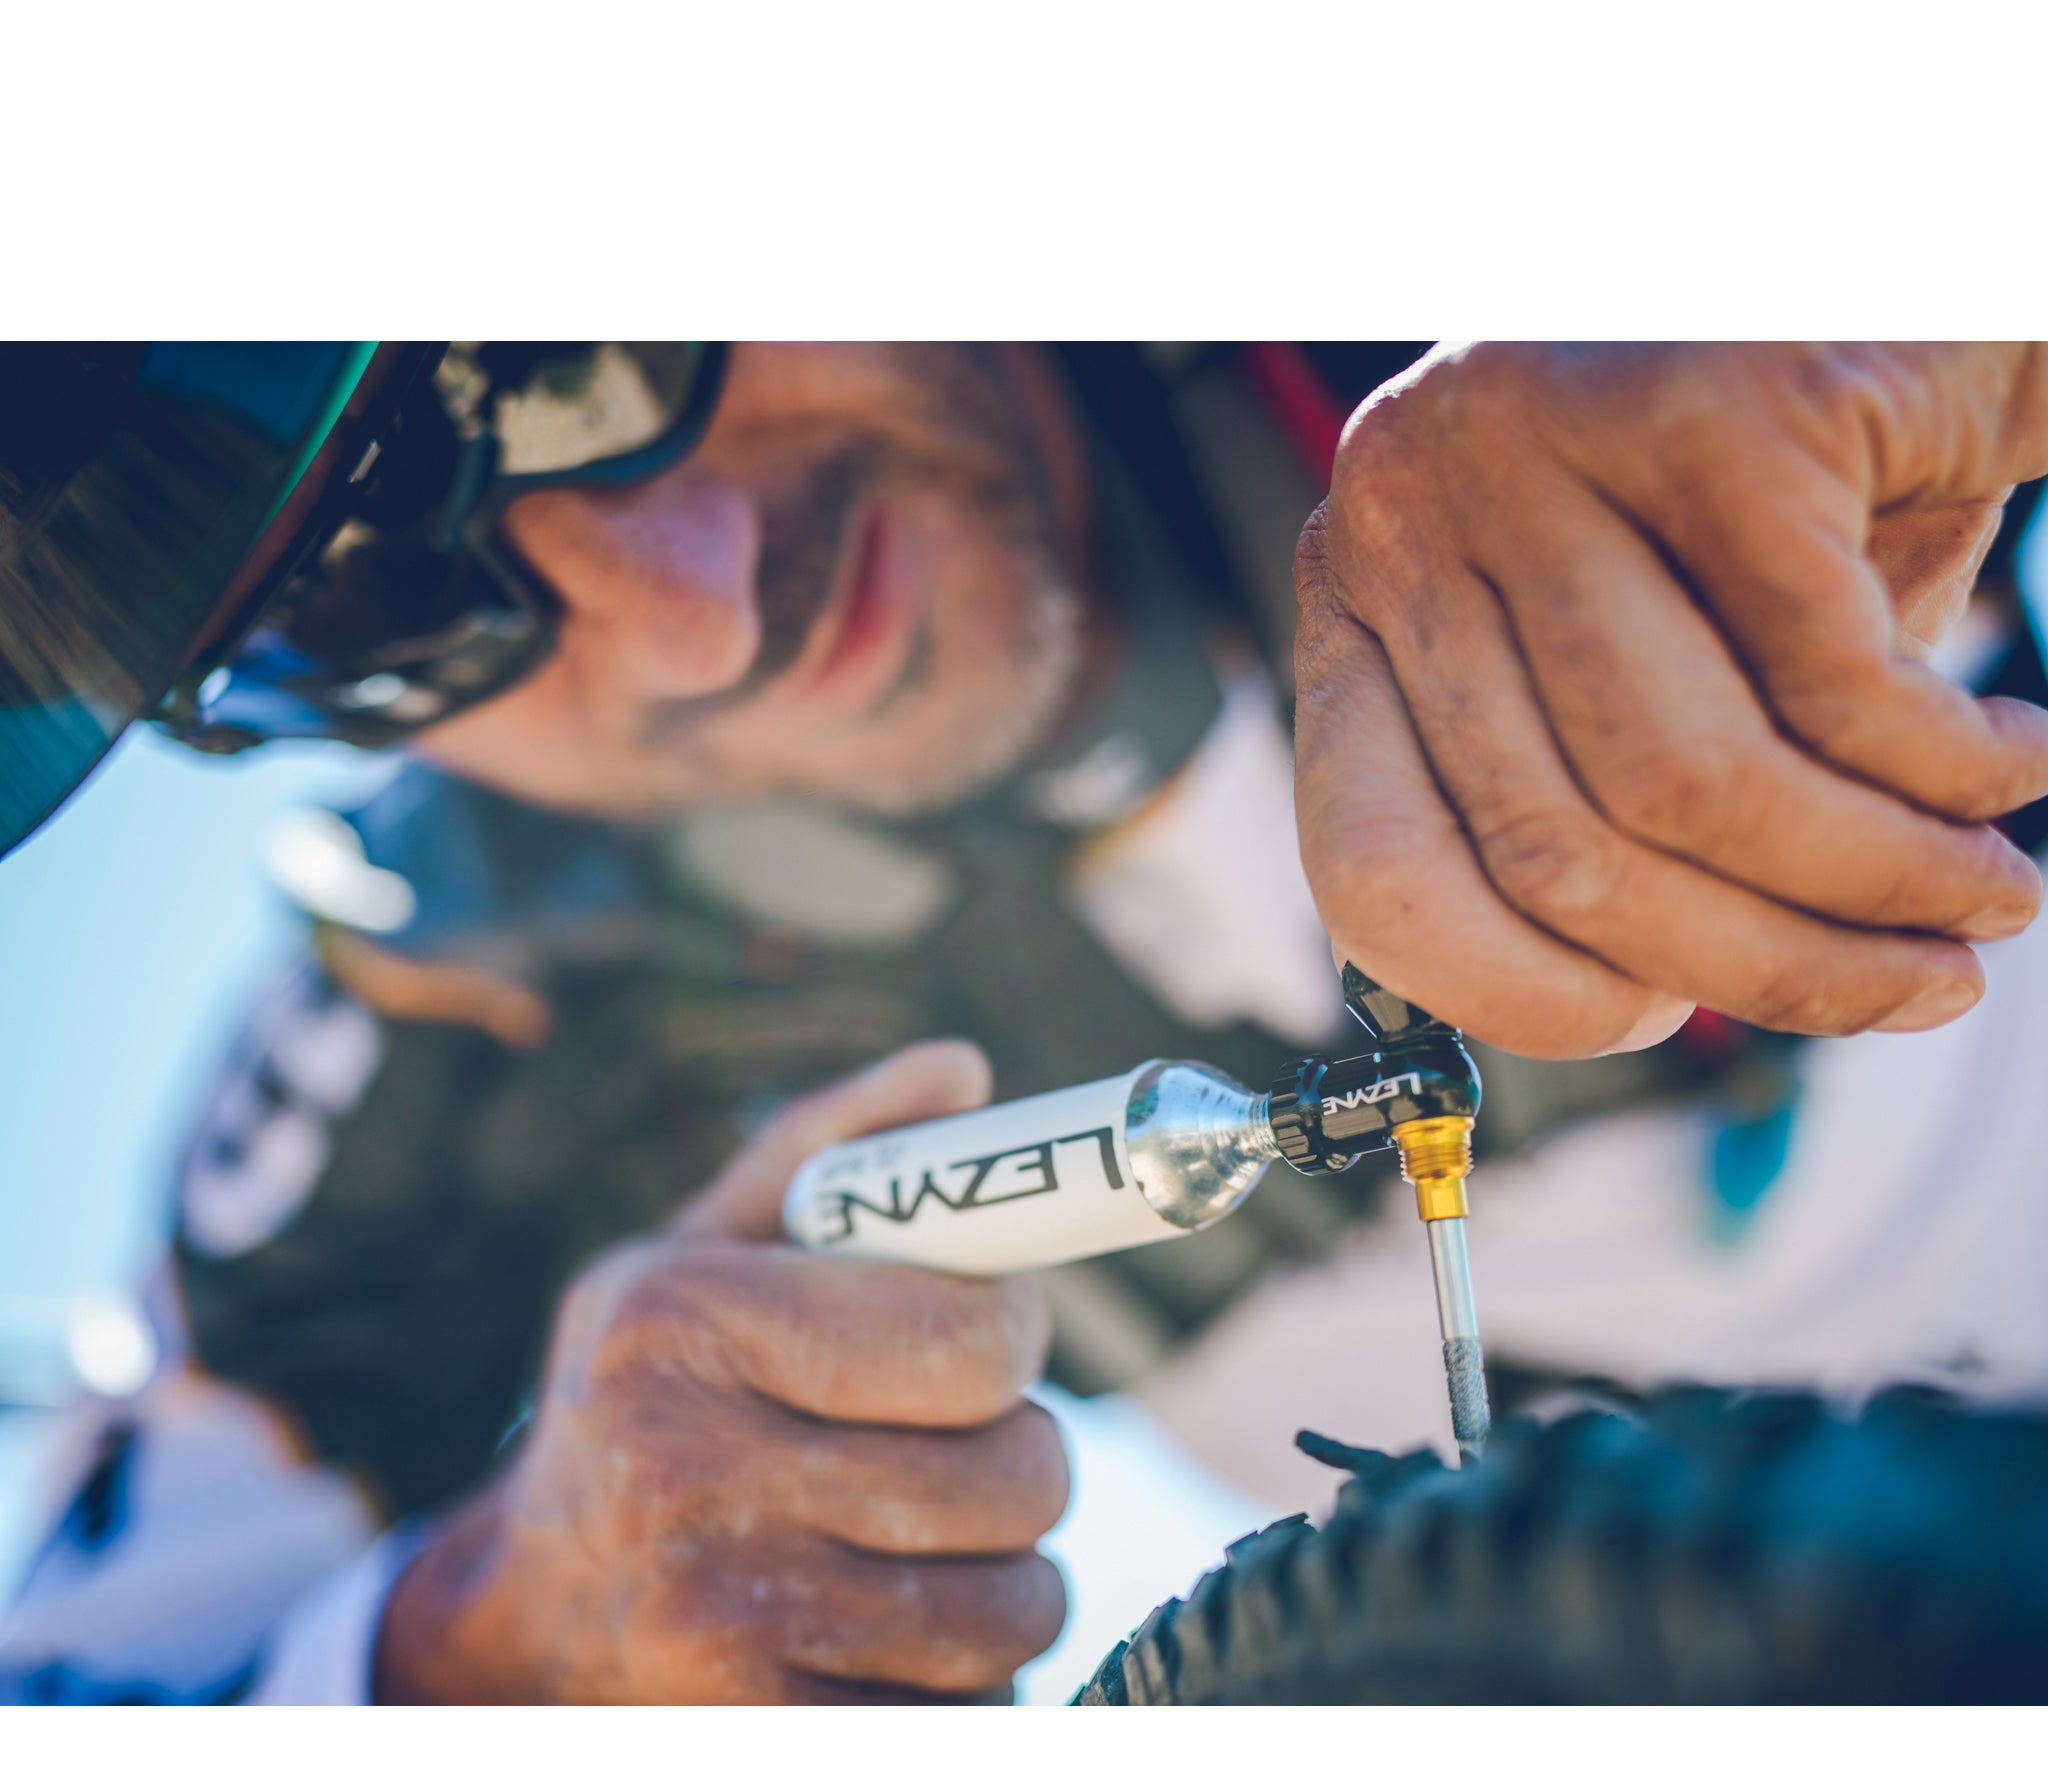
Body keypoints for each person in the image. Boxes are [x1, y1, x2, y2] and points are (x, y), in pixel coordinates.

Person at [3, 341, 2045, 1703]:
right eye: (371, 607)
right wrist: (481, 1654)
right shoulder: (461, 1035)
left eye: (578, 354)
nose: (702, 605)